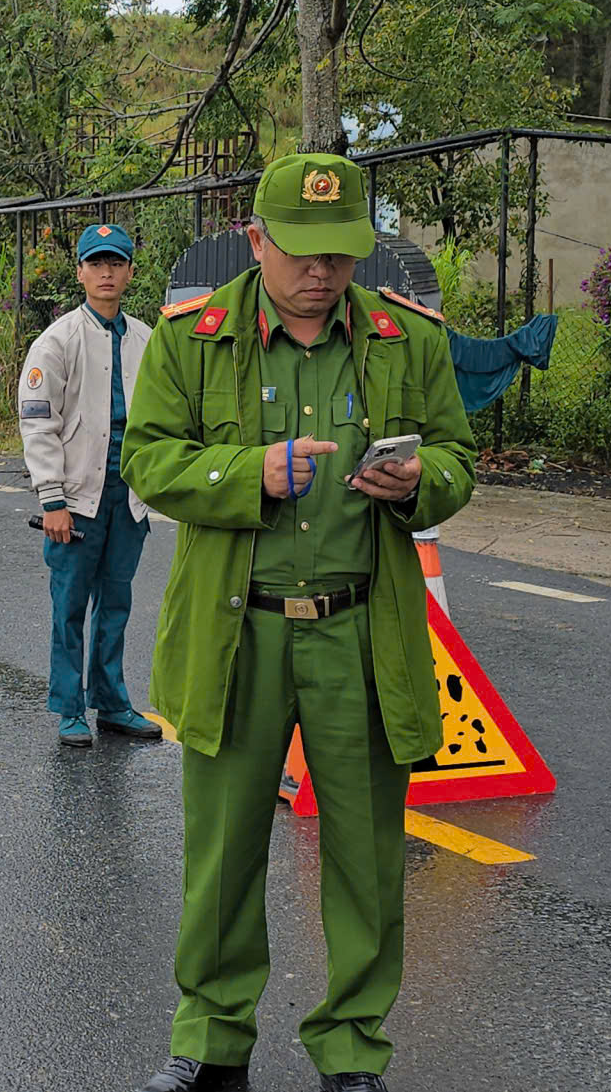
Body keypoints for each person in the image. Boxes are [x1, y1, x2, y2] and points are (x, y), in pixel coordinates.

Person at [119, 153, 477, 1092]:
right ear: (256, 240)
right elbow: (148, 459)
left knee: (366, 853)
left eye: (342, 254)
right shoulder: (193, 337)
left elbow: (458, 460)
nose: (321, 272)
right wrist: (251, 475)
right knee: (225, 848)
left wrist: (418, 483)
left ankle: (352, 1046)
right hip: (241, 632)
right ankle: (210, 1036)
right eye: (301, 252)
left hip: (362, 632)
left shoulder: (409, 338)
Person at [18, 224, 163, 749]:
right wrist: (51, 499)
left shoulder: (149, 340)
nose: (106, 273)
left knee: (117, 603)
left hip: (129, 498)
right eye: (96, 263)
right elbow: (38, 422)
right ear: (79, 271)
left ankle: (113, 701)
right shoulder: (56, 342)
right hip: (77, 498)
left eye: (116, 263)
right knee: (70, 605)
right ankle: (69, 707)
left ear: (129, 271)